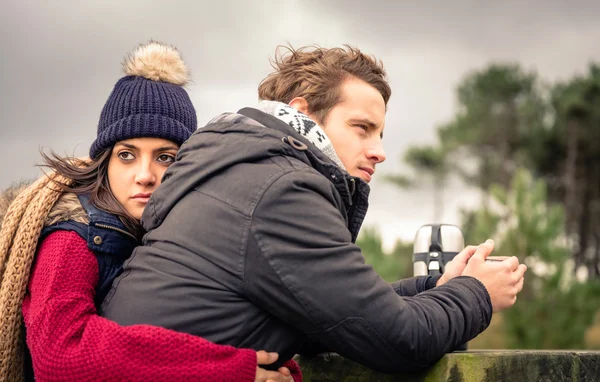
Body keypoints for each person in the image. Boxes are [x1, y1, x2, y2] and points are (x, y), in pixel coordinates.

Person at [102, 45, 527, 373]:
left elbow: (334, 313)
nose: (378, 151)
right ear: (301, 113)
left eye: (379, 133)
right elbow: (398, 340)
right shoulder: (279, 191)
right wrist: (478, 294)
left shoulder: (236, 172)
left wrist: (437, 288)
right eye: (362, 128)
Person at [0, 41, 300, 382]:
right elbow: (61, 356)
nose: (145, 175)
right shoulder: (73, 237)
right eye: (127, 155)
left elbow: (219, 315)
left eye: (165, 157)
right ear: (105, 162)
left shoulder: (189, 236)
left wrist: (278, 367)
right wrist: (224, 370)